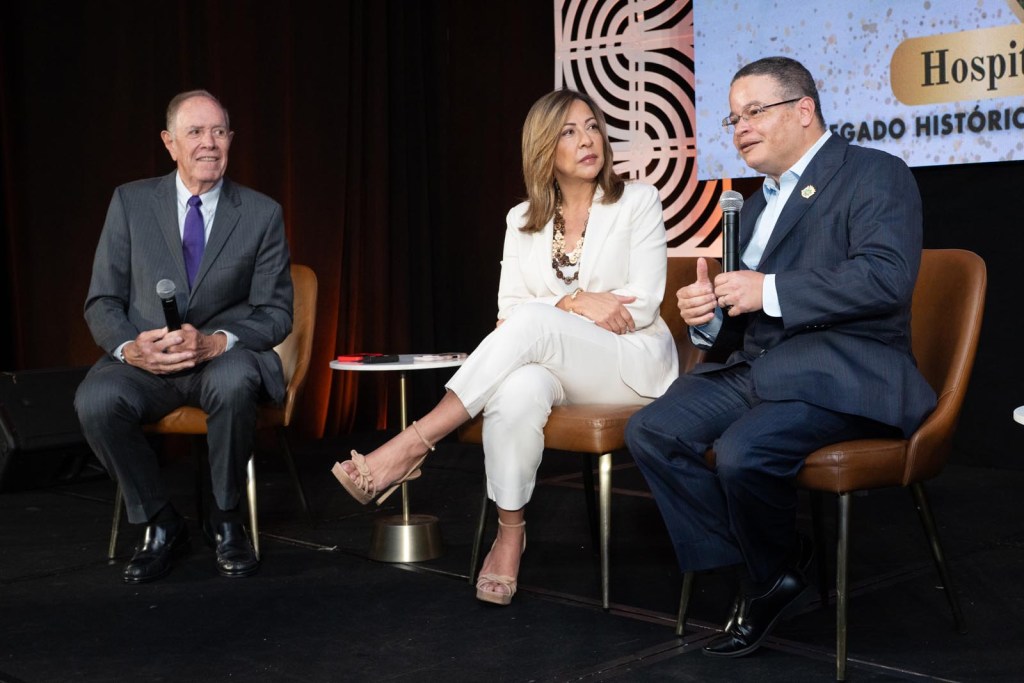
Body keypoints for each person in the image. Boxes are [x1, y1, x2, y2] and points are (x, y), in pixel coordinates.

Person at [625, 56, 937, 658]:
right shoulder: (751, 202)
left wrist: (763, 289)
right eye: (733, 117)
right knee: (652, 431)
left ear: (803, 110)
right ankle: (769, 570)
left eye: (754, 112)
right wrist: (710, 313)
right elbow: (741, 312)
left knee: (744, 453)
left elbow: (886, 278)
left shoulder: (875, 173)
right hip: (758, 365)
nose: (740, 127)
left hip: (844, 368)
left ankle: (762, 579)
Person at [332, 88, 675, 605]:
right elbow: (507, 313)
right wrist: (576, 303)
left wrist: (555, 309)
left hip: (628, 364)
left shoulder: (638, 202)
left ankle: (409, 446)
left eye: (592, 126)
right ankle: (510, 531)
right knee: (516, 390)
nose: (588, 140)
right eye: (569, 132)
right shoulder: (521, 220)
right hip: (555, 362)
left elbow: (641, 305)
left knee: (535, 322)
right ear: (543, 150)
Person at [75, 90, 293, 583]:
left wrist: (217, 340)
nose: (208, 144)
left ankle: (226, 518)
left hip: (221, 360)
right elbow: (102, 301)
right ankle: (159, 522)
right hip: (146, 363)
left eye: (218, 132)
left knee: (236, 383)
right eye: (195, 132)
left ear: (231, 140)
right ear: (170, 143)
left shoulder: (261, 214)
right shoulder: (130, 202)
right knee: (96, 399)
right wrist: (132, 348)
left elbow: (276, 314)